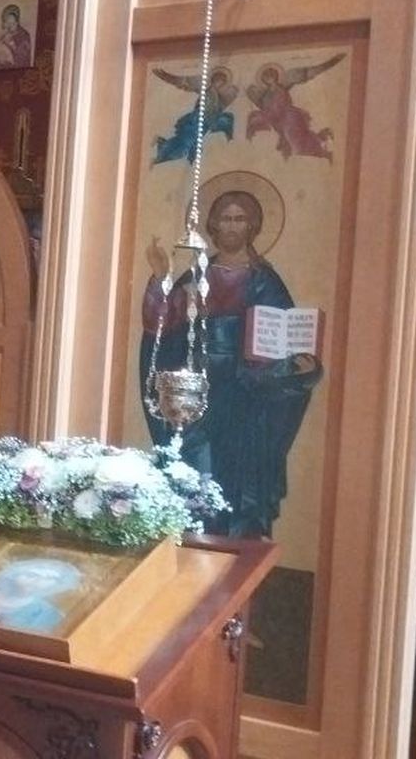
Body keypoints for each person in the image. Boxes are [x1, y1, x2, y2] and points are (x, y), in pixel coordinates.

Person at [140, 189, 320, 538]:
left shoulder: (264, 280)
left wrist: (294, 366)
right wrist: (161, 278)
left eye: (240, 219)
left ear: (252, 226)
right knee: (196, 465)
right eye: (226, 218)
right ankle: (196, 536)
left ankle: (237, 541)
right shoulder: (196, 276)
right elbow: (158, 326)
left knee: (241, 473)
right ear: (214, 225)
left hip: (245, 392)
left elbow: (280, 336)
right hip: (200, 387)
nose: (233, 226)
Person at [246, 54, 346, 161]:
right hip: (277, 120)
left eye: (271, 76)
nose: (269, 79)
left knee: (297, 144)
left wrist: (330, 63)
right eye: (266, 77)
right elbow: (264, 107)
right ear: (264, 80)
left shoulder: (282, 87)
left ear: (275, 76)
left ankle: (323, 149)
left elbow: (308, 73)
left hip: (289, 118)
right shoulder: (266, 95)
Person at [0, 4, 35, 71]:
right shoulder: (2, 35)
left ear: (17, 22)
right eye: (7, 23)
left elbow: (23, 58)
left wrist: (11, 44)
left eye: (12, 23)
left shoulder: (24, 35)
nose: (10, 27)